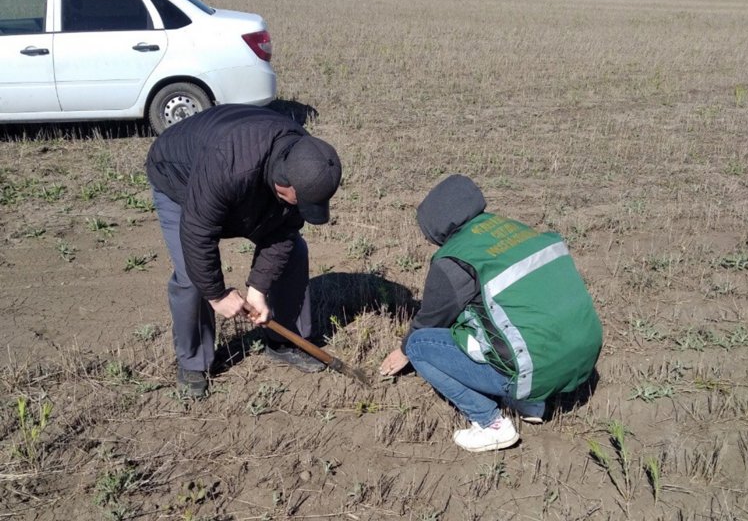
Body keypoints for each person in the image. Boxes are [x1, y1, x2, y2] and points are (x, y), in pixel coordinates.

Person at [380, 175, 602, 452]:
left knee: (419, 345)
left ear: (434, 229)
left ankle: (490, 423)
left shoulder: (454, 260)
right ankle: (530, 402)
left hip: (534, 371)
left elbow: (431, 320)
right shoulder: (517, 229)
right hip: (583, 358)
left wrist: (403, 350)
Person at [146, 103, 342, 398]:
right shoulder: (229, 162)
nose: (302, 210)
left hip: (241, 176)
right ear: (282, 182)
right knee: (191, 275)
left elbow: (284, 232)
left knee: (294, 252)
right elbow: (198, 234)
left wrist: (258, 289)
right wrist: (216, 294)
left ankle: (283, 340)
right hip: (179, 176)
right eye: (300, 202)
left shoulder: (305, 158)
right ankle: (194, 362)